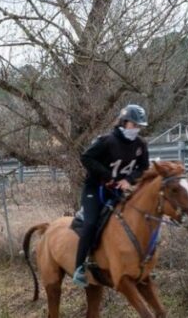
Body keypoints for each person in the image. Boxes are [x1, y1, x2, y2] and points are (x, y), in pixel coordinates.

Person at [73, 104, 150, 288]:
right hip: (95, 189)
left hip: (119, 190)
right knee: (91, 222)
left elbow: (144, 167)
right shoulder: (106, 141)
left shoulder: (140, 145)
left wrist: (129, 180)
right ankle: (79, 267)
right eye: (134, 125)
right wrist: (108, 177)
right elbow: (86, 158)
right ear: (124, 122)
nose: (136, 129)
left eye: (139, 126)